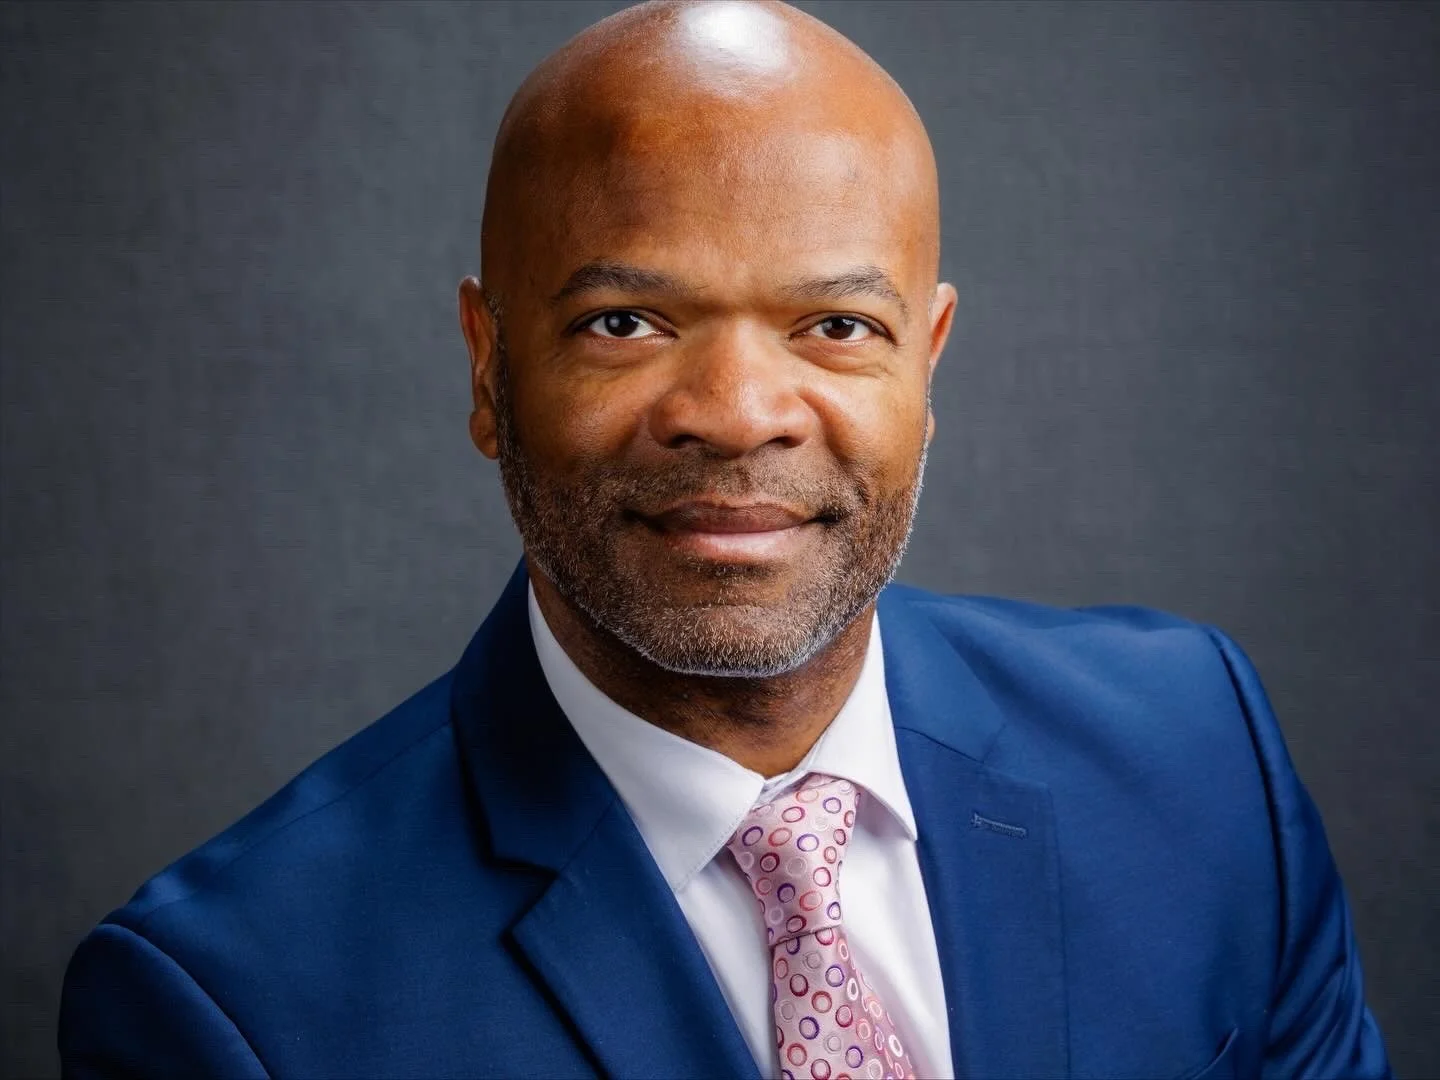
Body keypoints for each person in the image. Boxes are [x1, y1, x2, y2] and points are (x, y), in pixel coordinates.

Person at [59, 2, 1391, 1077]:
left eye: (836, 327)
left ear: (926, 367)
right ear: (488, 366)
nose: (739, 415)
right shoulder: (233, 1007)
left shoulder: (1200, 761)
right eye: (626, 323)